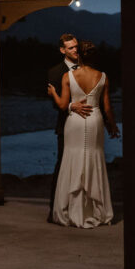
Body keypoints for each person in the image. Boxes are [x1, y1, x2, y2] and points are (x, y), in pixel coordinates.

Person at [47, 40, 119, 228]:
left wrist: (53, 93)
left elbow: (63, 105)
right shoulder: (103, 77)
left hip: (75, 121)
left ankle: (71, 210)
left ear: (79, 56)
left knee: (72, 158)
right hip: (95, 119)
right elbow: (108, 107)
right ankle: (96, 210)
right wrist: (112, 125)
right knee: (94, 158)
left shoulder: (67, 76)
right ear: (95, 58)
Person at [46, 34, 91, 222]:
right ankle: (55, 210)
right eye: (70, 48)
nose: (75, 50)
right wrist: (72, 105)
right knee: (63, 166)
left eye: (76, 47)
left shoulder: (87, 68)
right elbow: (55, 103)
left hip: (88, 124)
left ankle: (81, 209)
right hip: (66, 124)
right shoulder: (55, 72)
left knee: (85, 166)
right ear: (62, 50)